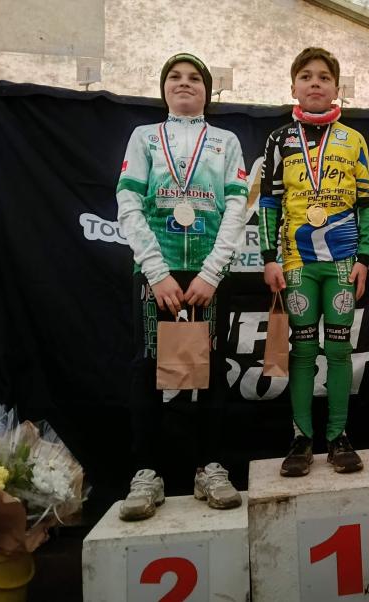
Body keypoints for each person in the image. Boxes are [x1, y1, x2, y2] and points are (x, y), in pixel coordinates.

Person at [116, 53, 248, 520]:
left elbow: (237, 207)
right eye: (175, 77)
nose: (185, 83)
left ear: (208, 91)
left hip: (207, 276)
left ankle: (209, 466)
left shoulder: (226, 141)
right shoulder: (145, 137)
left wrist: (212, 273)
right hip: (158, 273)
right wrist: (156, 271)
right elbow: (128, 201)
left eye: (195, 78)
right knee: (149, 367)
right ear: (164, 88)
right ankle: (147, 473)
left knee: (210, 368)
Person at [259, 47, 369, 477]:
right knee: (304, 349)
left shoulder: (354, 139)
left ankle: (339, 436)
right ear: (293, 87)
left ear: (336, 88)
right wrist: (268, 258)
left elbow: (367, 202)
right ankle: (301, 438)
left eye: (324, 77)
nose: (315, 83)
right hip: (296, 263)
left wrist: (365, 257)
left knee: (340, 349)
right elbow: (269, 202)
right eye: (306, 76)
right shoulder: (279, 139)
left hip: (342, 261)